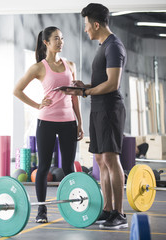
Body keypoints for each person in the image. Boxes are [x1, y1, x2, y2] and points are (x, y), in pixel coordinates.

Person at [63, 3, 128, 229]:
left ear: (96, 24)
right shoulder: (103, 46)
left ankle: (119, 213)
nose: (85, 29)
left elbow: (113, 83)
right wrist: (84, 87)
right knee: (100, 160)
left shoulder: (113, 46)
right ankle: (108, 209)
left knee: (111, 159)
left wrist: (87, 91)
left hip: (110, 109)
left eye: (86, 25)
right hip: (99, 108)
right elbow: (102, 82)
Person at [13, 26, 83, 223]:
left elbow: (75, 96)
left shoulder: (71, 64)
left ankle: (75, 207)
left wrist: (80, 122)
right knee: (43, 167)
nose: (60, 42)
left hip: (69, 121)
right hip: (47, 121)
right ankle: (41, 211)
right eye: (56, 39)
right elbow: (17, 90)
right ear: (46, 43)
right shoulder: (39, 67)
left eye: (62, 38)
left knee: (69, 167)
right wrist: (37, 105)